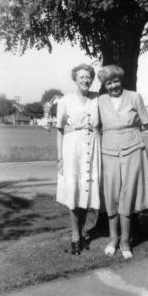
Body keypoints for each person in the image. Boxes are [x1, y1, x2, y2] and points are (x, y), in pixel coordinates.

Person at [98, 65, 148, 259]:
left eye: (116, 81)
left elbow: (146, 123)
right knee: (111, 195)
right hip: (108, 151)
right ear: (104, 85)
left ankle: (125, 241)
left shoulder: (134, 97)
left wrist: (130, 132)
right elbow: (94, 125)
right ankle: (113, 239)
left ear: (122, 81)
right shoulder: (100, 101)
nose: (113, 86)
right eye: (108, 82)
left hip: (132, 150)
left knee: (127, 195)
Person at [56, 64, 101, 255]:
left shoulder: (98, 98)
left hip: (93, 146)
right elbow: (59, 130)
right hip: (72, 147)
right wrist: (60, 157)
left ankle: (82, 232)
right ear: (75, 79)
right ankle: (75, 236)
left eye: (88, 77)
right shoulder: (65, 100)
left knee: (87, 191)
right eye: (81, 77)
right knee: (74, 191)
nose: (85, 80)